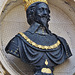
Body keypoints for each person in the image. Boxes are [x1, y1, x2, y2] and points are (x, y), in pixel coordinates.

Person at [5, 0, 72, 75]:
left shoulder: (61, 42)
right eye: (41, 10)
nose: (45, 13)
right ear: (32, 13)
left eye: (47, 10)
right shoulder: (18, 41)